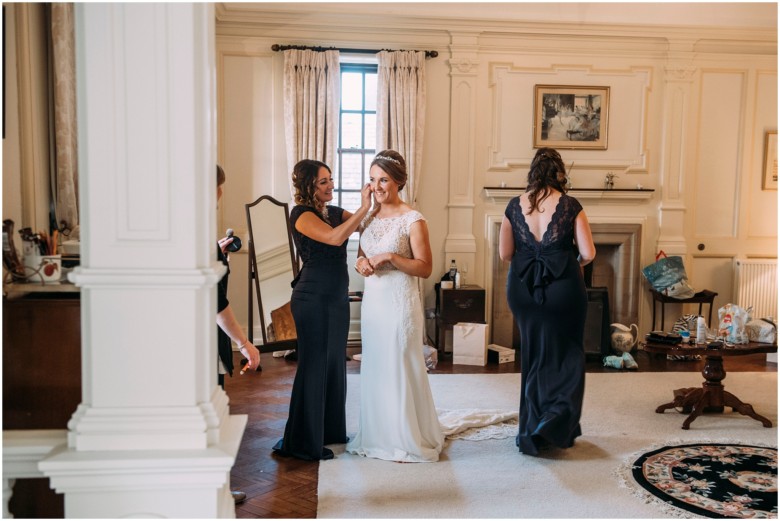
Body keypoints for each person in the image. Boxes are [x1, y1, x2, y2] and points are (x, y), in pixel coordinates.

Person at [346, 150, 444, 463]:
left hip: (400, 303)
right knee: (376, 365)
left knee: (401, 362)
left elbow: (425, 268)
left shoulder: (413, 219)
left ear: (398, 182)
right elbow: (362, 255)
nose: (376, 186)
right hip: (374, 304)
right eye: (373, 179)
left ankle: (407, 437)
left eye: (383, 179)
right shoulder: (369, 218)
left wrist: (389, 257)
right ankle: (379, 434)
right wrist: (362, 262)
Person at [272, 160, 372, 461]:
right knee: (314, 367)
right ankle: (303, 441)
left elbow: (361, 224)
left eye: (330, 179)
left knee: (333, 365)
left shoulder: (331, 211)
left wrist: (378, 201)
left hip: (335, 297)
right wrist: (365, 207)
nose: (330, 185)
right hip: (312, 298)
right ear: (308, 187)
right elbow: (335, 237)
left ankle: (328, 432)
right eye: (323, 182)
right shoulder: (300, 214)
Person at [498, 147, 595, 456]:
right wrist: (568, 264)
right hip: (563, 288)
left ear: (532, 173)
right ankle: (554, 421)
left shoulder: (514, 206)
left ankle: (531, 428)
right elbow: (589, 253)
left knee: (534, 355)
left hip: (523, 289)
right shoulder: (570, 205)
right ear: (560, 173)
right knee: (567, 354)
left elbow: (505, 254)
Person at [216, 164, 261, 504]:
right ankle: (217, 490)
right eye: (218, 187)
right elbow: (217, 303)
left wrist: (216, 250)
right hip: (202, 339)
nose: (220, 195)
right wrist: (244, 344)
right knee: (213, 412)